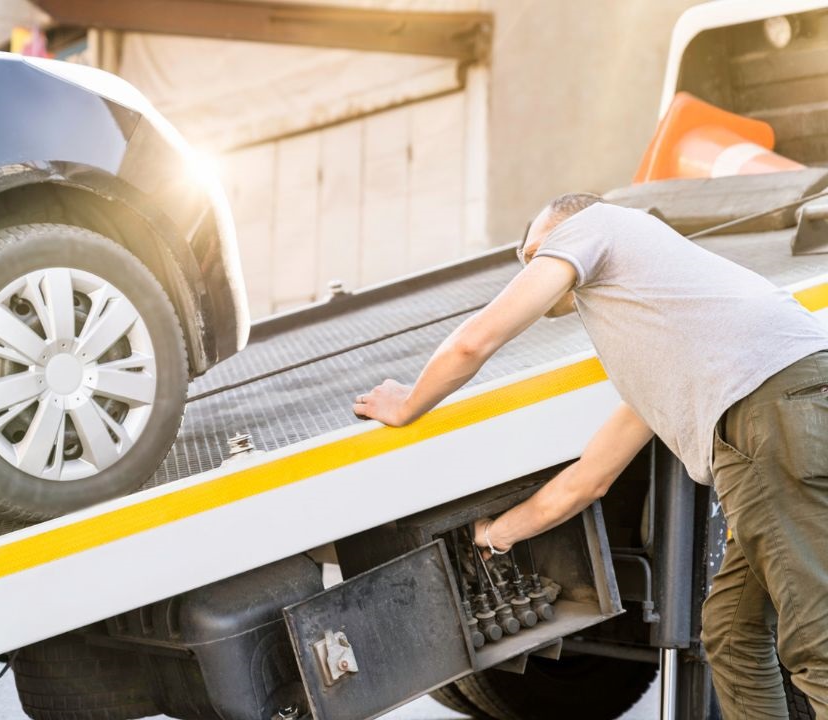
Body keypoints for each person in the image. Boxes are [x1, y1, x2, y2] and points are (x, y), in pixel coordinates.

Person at [353, 193, 828, 719]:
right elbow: (589, 478)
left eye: (535, 253)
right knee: (732, 634)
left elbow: (477, 342)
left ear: (566, 229)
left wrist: (408, 403)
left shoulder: (599, 224)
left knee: (815, 638)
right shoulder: (673, 349)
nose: (528, 267)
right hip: (782, 422)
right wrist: (493, 534)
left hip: (773, 419)